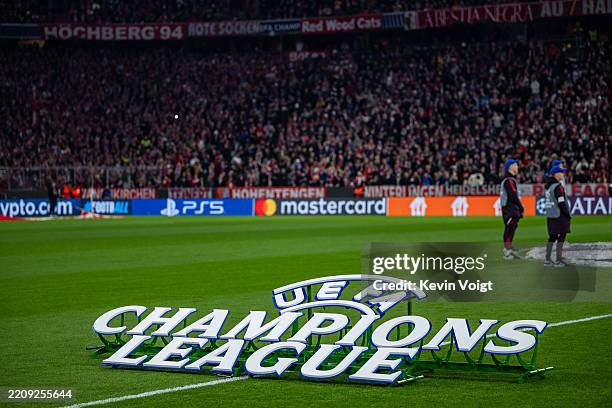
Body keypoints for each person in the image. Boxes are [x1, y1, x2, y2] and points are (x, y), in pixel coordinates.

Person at [544, 166, 571, 266]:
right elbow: (561, 203)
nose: (563, 174)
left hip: (550, 215)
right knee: (562, 236)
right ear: (556, 174)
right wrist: (567, 214)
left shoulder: (548, 186)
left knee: (552, 237)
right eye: (561, 172)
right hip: (559, 215)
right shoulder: (558, 186)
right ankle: (559, 259)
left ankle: (547, 259)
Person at [500, 159, 524, 259]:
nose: (517, 166)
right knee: (510, 227)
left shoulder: (509, 179)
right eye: (515, 165)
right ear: (510, 167)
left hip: (510, 207)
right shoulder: (509, 180)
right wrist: (520, 207)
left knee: (512, 226)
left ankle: (508, 247)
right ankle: (507, 250)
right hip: (510, 207)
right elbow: (513, 195)